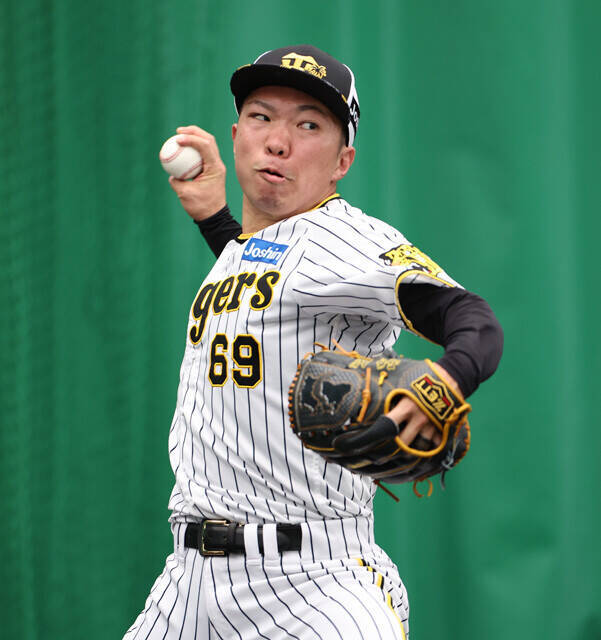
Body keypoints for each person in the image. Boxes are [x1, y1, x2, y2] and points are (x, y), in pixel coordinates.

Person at [123, 45, 503, 640]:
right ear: (236, 136)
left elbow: (470, 316)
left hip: (312, 584)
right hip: (187, 583)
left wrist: (449, 378)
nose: (278, 141)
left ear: (342, 161)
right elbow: (273, 289)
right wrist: (216, 222)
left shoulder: (350, 239)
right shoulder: (249, 249)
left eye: (308, 125)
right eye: (261, 116)